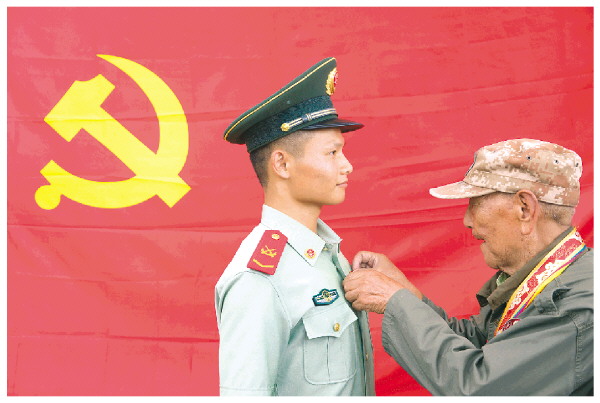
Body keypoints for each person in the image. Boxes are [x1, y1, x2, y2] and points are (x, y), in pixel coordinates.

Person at [343, 139, 593, 395]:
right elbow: (477, 343)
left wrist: (395, 302)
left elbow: (478, 387)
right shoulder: (552, 280)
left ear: (524, 208)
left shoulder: (574, 308)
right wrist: (407, 296)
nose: (466, 220)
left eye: (476, 202)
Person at [215, 57, 375, 396]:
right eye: (332, 153)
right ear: (282, 164)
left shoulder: (328, 254)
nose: (347, 165)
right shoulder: (260, 279)